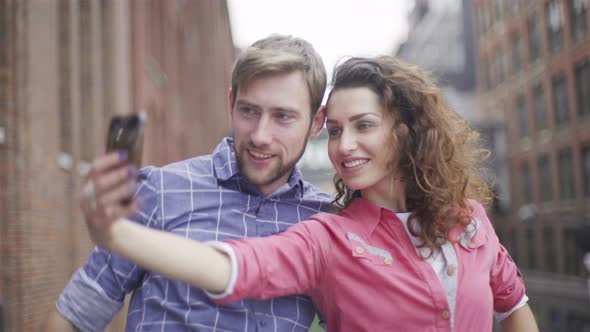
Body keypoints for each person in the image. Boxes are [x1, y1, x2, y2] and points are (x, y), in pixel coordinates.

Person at [79, 56, 540, 332]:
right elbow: (233, 267)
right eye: (335, 130)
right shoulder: (328, 237)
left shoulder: (469, 219)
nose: (343, 146)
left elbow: (515, 305)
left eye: (363, 126)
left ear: (405, 131)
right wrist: (118, 235)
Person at [45, 35, 334, 332]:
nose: (260, 135)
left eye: (282, 116)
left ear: (316, 121)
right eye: (249, 111)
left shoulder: (328, 224)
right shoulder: (160, 191)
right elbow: (74, 319)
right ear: (231, 103)